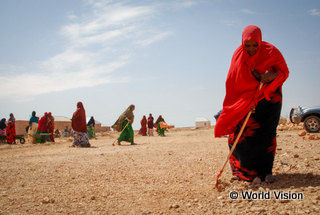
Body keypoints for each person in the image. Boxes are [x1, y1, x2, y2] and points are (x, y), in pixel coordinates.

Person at [214, 25, 289, 183]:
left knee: (265, 135)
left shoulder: (271, 52)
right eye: (247, 45)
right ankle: (242, 172)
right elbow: (233, 82)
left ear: (260, 42)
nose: (251, 49)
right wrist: (247, 101)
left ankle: (265, 173)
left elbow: (284, 72)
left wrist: (272, 75)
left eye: (255, 45)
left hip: (269, 98)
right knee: (241, 133)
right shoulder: (238, 55)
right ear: (242, 43)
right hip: (245, 101)